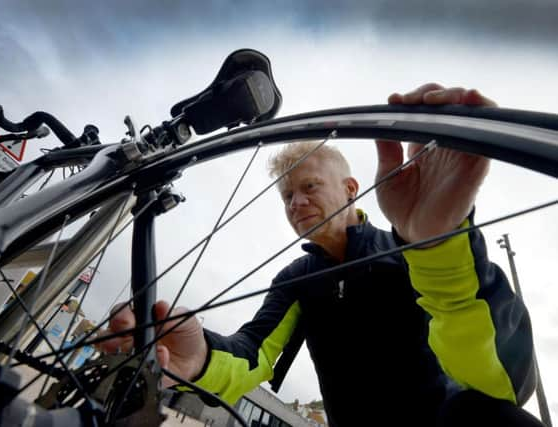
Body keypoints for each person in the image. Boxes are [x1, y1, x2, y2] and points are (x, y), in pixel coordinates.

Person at [100, 84, 541, 426]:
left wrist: (438, 242)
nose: (296, 203)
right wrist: (198, 359)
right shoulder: (297, 279)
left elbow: (500, 384)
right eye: (287, 195)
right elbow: (253, 352)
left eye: (309, 187)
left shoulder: (411, 252)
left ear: (351, 189)